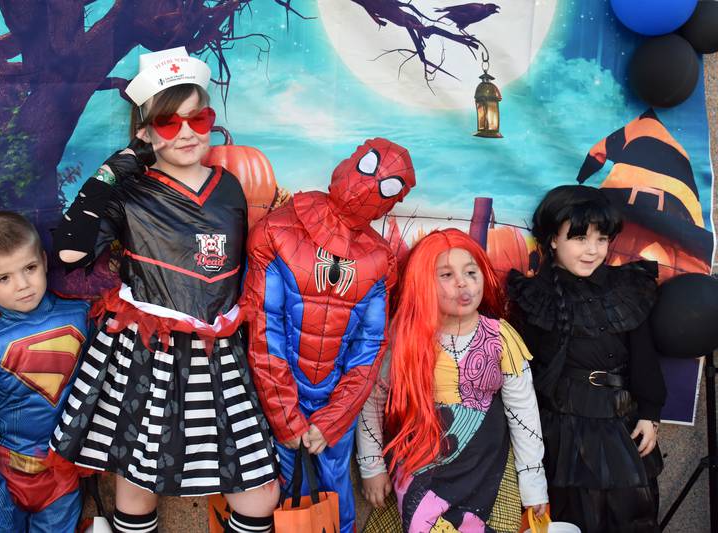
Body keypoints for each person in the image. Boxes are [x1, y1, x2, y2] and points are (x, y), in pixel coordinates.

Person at [48, 47, 279, 533]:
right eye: (170, 123)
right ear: (146, 131)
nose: (189, 132)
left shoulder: (232, 185)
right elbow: (69, 253)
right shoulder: (128, 191)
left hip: (219, 350)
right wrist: (116, 169)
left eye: (200, 117)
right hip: (148, 350)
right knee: (138, 476)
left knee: (259, 488)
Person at [242, 138, 415, 533]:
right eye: (369, 166)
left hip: (335, 407)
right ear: (352, 158)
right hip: (273, 400)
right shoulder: (276, 230)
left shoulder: (378, 258)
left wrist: (333, 420)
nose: (369, 186)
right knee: (266, 498)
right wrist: (285, 416)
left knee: (334, 505)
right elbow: (263, 329)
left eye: (390, 186)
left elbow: (370, 347)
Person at [356, 228, 548, 533]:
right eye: (445, 275)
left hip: (486, 462)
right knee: (423, 522)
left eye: (471, 271)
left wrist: (533, 481)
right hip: (421, 461)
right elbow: (372, 401)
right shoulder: (403, 339)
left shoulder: (501, 338)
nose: (463, 282)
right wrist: (371, 465)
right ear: (421, 284)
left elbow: (524, 413)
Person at [507, 184, 666, 532]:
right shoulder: (535, 297)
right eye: (580, 239)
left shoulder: (626, 287)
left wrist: (650, 414)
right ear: (552, 240)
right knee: (573, 519)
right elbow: (525, 376)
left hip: (622, 423)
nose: (592, 250)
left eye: (601, 239)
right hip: (563, 430)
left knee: (633, 517)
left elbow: (643, 356)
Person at [0, 211, 89, 532]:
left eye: (30, 268)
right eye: (4, 278)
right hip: (4, 478)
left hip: (61, 476)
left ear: (45, 263)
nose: (23, 285)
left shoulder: (83, 316)